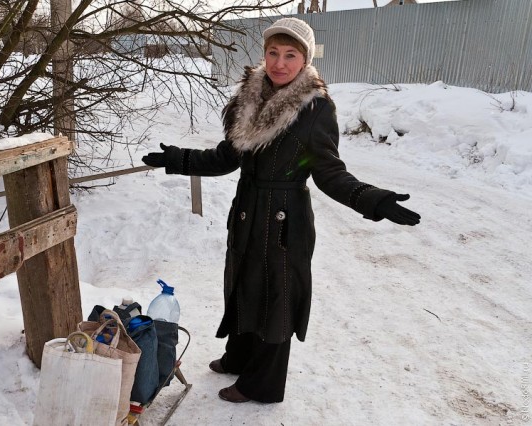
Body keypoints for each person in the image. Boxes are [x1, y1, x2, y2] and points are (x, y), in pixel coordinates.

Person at [142, 17, 420, 404]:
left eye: (291, 55)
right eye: (273, 52)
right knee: (243, 284)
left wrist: (372, 198)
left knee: (277, 299)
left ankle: (263, 386)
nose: (279, 63)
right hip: (247, 211)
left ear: (304, 60)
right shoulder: (248, 98)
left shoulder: (315, 108)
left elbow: (329, 172)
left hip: (284, 219)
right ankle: (239, 357)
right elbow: (227, 157)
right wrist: (179, 158)